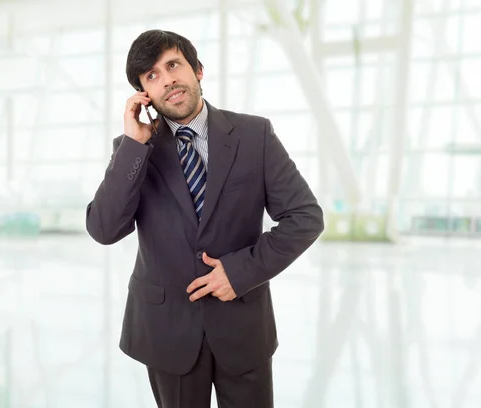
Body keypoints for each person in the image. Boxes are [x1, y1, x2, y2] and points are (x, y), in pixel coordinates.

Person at [86, 29, 324, 408]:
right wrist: (134, 145)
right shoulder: (133, 150)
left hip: (243, 326)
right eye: (152, 76)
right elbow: (104, 229)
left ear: (197, 70)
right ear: (144, 94)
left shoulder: (254, 135)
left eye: (173, 65)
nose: (167, 80)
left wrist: (240, 271)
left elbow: (305, 216)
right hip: (167, 332)